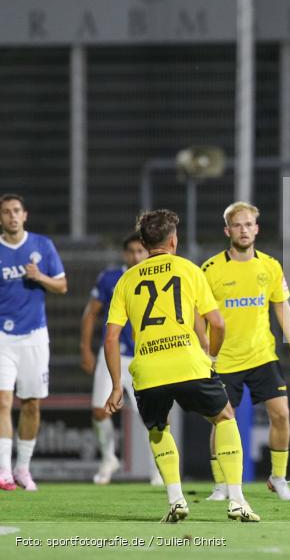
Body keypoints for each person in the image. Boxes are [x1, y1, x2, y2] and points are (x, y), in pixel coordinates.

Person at [104, 209, 259, 522]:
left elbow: (111, 338)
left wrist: (114, 385)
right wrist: (211, 356)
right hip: (188, 363)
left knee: (159, 428)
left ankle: (175, 500)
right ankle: (237, 501)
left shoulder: (126, 279)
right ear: (173, 240)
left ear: (145, 243)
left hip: (148, 370)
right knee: (225, 417)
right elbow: (217, 323)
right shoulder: (188, 270)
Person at [199, 202, 290, 502]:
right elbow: (198, 314)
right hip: (224, 359)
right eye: (238, 225)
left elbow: (282, 306)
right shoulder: (210, 269)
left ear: (256, 229)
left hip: (262, 356)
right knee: (222, 420)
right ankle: (221, 485)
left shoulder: (270, 266)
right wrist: (204, 350)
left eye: (248, 225)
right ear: (227, 230)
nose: (243, 230)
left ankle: (278, 478)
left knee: (282, 415)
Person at [80, 232, 162, 485]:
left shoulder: (158, 275)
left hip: (146, 356)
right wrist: (85, 348)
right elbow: (91, 312)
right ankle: (108, 458)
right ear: (124, 253)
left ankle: (158, 468)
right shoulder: (110, 278)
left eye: (141, 251)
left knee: (154, 415)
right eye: (132, 251)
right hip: (113, 355)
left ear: (147, 252)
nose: (137, 256)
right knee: (99, 409)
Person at [0, 193, 67, 492]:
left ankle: (22, 469)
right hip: (2, 335)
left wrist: (39, 276)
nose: (12, 216)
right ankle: (3, 471)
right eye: (6, 212)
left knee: (31, 404)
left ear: (25, 215)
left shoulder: (42, 246)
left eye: (16, 211)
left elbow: (62, 286)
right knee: (2, 401)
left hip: (34, 336)